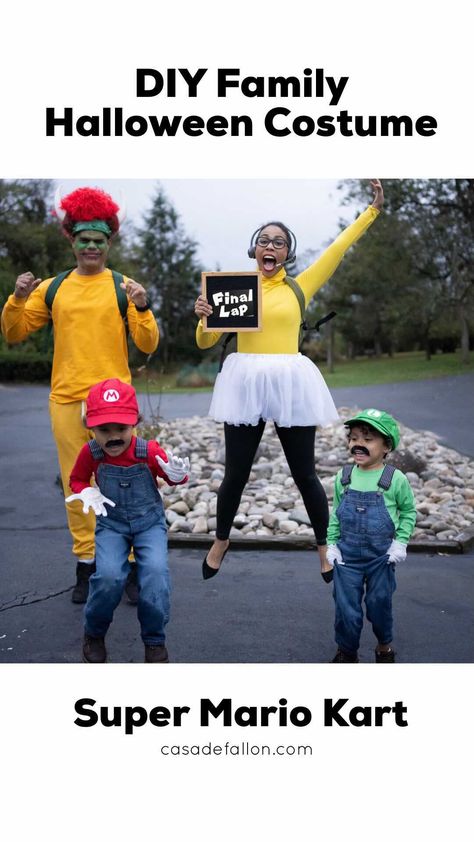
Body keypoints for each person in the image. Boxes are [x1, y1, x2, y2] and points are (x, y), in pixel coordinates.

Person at [194, 180, 384, 580]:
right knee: (236, 474)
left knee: (305, 474)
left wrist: (371, 211)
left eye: (279, 242)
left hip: (290, 382)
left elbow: (337, 249)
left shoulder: (300, 287)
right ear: (254, 250)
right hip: (245, 383)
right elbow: (205, 340)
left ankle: (322, 547)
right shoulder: (233, 288)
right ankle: (222, 539)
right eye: (265, 240)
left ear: (287, 253)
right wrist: (203, 316)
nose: (271, 246)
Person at [1, 186, 159, 604]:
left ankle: (127, 564)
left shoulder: (124, 287)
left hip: (114, 403)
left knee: (123, 481)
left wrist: (142, 308)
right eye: (84, 239)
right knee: (79, 484)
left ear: (109, 242)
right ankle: (87, 564)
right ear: (72, 240)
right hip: (67, 398)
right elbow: (14, 332)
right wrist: (17, 299)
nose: (91, 246)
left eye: (99, 240)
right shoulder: (53, 288)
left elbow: (147, 344)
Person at [66, 378, 189, 663]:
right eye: (103, 430)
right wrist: (85, 490)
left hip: (149, 524)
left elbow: (174, 478)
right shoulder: (91, 453)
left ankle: (155, 641)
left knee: (156, 576)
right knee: (109, 577)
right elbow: (77, 479)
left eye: (121, 428)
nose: (113, 437)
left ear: (135, 423)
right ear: (90, 427)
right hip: (112, 524)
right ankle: (94, 633)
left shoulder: (149, 451)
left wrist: (177, 472)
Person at [326, 408, 416, 663]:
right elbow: (336, 514)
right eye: (354, 438)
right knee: (347, 610)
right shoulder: (343, 477)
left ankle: (384, 645)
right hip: (348, 558)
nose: (358, 444)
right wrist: (332, 544)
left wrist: (400, 542)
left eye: (367, 439)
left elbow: (409, 512)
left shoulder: (395, 479)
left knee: (379, 605)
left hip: (381, 558)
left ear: (386, 446)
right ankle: (347, 650)